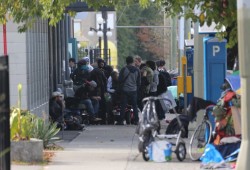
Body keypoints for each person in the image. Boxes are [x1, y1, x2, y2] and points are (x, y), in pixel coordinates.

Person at [118, 56, 141, 125]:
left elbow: (120, 80)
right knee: (134, 106)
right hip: (134, 90)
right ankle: (136, 120)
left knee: (123, 106)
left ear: (126, 61)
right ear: (132, 62)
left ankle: (121, 121)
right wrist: (136, 89)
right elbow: (139, 82)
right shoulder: (137, 70)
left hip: (125, 90)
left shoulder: (123, 69)